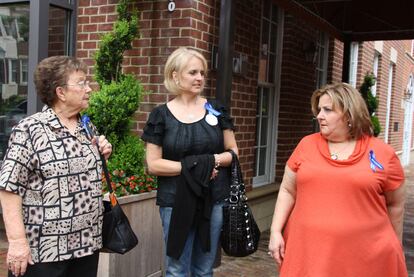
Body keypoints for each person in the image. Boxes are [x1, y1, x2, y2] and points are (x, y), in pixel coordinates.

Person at [268, 82, 408, 277]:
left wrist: (395, 246)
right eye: (319, 110)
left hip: (364, 258)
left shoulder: (383, 154)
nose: (319, 116)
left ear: (349, 115)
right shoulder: (306, 145)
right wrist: (275, 231)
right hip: (308, 253)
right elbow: (287, 191)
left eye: (327, 110)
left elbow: (396, 205)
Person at [0, 56, 112, 277]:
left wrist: (103, 156)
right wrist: (17, 242)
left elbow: (82, 177)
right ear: (61, 92)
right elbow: (9, 188)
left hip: (86, 245)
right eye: (81, 83)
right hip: (45, 251)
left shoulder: (86, 126)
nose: (89, 88)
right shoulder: (30, 130)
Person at [141, 47, 238, 277]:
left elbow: (233, 151)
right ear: (175, 75)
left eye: (202, 73)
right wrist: (194, 168)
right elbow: (153, 164)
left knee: (204, 269)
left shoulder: (216, 109)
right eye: (193, 72)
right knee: (176, 269)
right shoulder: (160, 115)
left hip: (213, 198)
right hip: (175, 201)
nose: (200, 78)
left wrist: (211, 160)